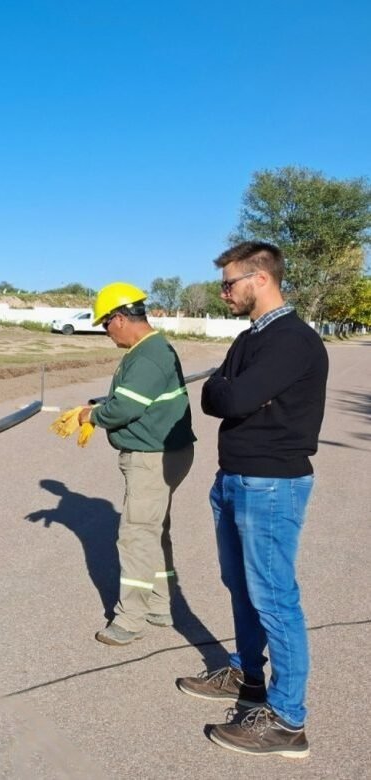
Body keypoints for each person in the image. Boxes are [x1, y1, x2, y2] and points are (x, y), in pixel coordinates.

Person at [177, 241, 327, 758]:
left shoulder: (292, 341)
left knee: (275, 597)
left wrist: (228, 390)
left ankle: (288, 721)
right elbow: (213, 393)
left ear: (260, 279)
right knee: (240, 586)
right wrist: (226, 389)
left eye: (229, 283)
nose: (224, 293)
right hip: (234, 478)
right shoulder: (251, 339)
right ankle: (248, 678)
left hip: (270, 483)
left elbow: (229, 397)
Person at [55, 282, 196, 646]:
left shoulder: (148, 355)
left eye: (105, 324)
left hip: (153, 457)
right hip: (164, 453)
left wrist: (89, 415)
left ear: (119, 318)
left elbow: (125, 408)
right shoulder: (150, 349)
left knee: (135, 535)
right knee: (153, 530)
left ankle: (130, 619)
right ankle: (161, 606)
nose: (105, 331)